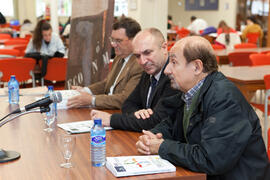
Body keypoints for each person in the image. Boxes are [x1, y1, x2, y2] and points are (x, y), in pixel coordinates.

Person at [136, 36, 270, 179]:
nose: (166, 70)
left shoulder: (224, 99)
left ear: (197, 67)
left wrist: (162, 147)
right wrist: (152, 137)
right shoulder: (189, 92)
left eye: (174, 62)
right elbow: (171, 125)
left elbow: (211, 159)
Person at [90, 28, 178, 131]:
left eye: (147, 53)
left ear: (164, 48)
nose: (142, 61)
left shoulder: (174, 77)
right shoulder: (149, 71)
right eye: (137, 56)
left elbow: (156, 121)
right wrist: (139, 113)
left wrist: (111, 119)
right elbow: (128, 104)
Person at [67, 17, 143, 110]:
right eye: (112, 39)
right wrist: (85, 91)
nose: (113, 44)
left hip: (119, 113)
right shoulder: (119, 57)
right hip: (106, 108)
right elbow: (108, 84)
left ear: (135, 40)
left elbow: (125, 99)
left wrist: (91, 100)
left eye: (118, 41)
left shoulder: (139, 64)